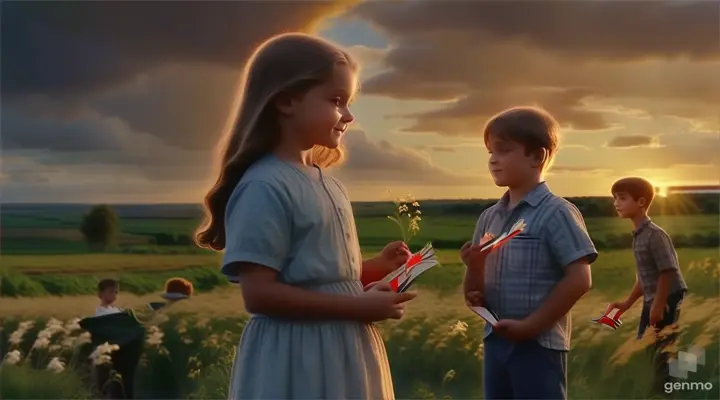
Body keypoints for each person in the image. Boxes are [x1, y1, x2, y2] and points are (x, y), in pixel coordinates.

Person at [194, 33, 417, 400]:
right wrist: (357, 306)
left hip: (342, 349)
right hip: (298, 357)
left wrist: (375, 270)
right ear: (286, 100)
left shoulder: (327, 184)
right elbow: (260, 294)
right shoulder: (265, 186)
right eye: (335, 100)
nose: (348, 115)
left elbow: (319, 274)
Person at [462, 106, 598, 400]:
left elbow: (579, 279)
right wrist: (474, 274)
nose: (493, 160)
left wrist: (531, 325)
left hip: (540, 345)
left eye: (504, 150)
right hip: (496, 339)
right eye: (489, 152)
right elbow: (474, 291)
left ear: (538, 157)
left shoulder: (557, 213)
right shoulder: (489, 218)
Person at [607, 177, 688, 394]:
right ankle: (660, 389)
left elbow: (668, 270)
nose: (616, 203)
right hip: (654, 298)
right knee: (648, 346)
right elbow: (645, 277)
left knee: (662, 349)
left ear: (641, 201)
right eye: (615, 198)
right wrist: (627, 303)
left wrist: (659, 304)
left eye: (622, 198)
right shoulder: (638, 235)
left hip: (667, 297)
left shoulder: (655, 235)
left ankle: (666, 391)